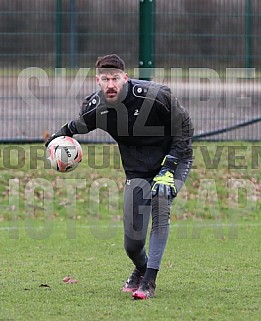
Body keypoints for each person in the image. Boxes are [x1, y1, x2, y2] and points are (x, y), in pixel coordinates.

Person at [45, 54, 194, 300]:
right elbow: (78, 125)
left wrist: (169, 167)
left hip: (173, 160)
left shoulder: (155, 96)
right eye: (105, 79)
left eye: (115, 78)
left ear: (126, 77)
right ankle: (141, 268)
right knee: (132, 244)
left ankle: (149, 282)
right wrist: (55, 138)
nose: (110, 84)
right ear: (97, 80)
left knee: (161, 201)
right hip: (137, 170)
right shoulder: (97, 106)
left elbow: (185, 127)